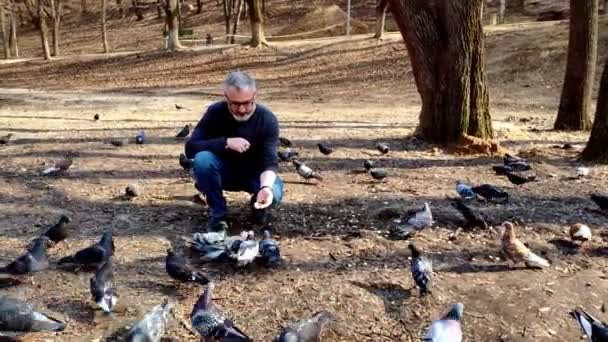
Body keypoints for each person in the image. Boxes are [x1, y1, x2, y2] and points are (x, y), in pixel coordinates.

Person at [185, 71, 283, 232]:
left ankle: (258, 207)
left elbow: (269, 162)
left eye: (247, 102)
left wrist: (266, 187)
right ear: (226, 97)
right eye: (235, 104)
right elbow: (191, 148)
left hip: (254, 175)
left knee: (275, 193)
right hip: (224, 173)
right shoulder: (215, 112)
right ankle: (218, 214)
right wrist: (225, 143)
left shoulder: (267, 119)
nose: (242, 109)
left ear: (255, 96)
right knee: (202, 159)